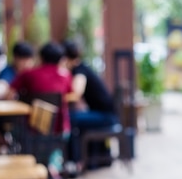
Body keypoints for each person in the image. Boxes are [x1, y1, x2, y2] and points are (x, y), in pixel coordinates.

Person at [62, 40, 119, 168]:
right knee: (72, 117)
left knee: (69, 118)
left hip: (106, 116)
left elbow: (77, 92)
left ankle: (74, 162)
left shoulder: (79, 70)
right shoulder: (82, 68)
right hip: (104, 114)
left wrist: (61, 97)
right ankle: (79, 159)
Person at [9, 41, 73, 135]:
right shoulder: (66, 76)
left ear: (41, 57)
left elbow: (10, 93)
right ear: (60, 59)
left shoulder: (28, 74)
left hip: (30, 128)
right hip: (59, 129)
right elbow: (71, 95)